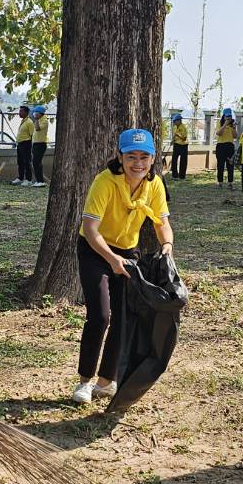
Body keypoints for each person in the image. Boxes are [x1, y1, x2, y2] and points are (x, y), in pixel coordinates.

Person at [73, 128, 173, 404]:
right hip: (95, 249)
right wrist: (112, 260)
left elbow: (161, 222)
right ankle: (85, 381)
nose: (138, 163)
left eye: (144, 156)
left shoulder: (154, 184)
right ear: (120, 156)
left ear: (153, 159)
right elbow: (90, 229)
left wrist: (167, 246)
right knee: (101, 316)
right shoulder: (104, 182)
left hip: (128, 251)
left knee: (123, 317)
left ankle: (106, 382)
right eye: (131, 156)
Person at [11, 104, 35, 185]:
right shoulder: (23, 121)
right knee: (20, 162)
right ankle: (20, 178)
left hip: (26, 144)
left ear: (26, 112)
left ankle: (28, 179)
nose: (19, 113)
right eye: (19, 111)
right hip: (20, 144)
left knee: (27, 162)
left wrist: (31, 147)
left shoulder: (29, 122)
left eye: (21, 111)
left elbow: (32, 135)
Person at [214, 109, 237, 189]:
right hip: (220, 146)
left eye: (229, 116)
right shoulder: (219, 123)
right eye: (226, 116)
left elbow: (235, 136)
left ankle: (230, 183)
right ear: (223, 116)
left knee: (230, 165)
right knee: (220, 165)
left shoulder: (232, 124)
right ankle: (220, 182)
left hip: (230, 146)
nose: (228, 118)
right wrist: (225, 124)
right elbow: (219, 133)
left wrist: (234, 128)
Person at [31, 105, 50, 186]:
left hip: (41, 144)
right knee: (35, 162)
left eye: (35, 112)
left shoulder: (44, 121)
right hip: (35, 144)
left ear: (40, 113)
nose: (34, 114)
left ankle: (40, 181)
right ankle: (38, 180)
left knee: (37, 162)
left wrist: (36, 119)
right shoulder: (38, 120)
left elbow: (38, 129)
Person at [170, 113, 189, 179]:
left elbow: (184, 138)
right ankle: (174, 175)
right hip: (176, 144)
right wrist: (172, 141)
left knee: (183, 161)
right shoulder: (175, 127)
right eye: (174, 121)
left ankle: (182, 176)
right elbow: (174, 135)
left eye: (175, 121)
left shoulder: (183, 128)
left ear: (179, 121)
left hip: (183, 145)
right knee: (174, 160)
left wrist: (178, 135)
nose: (174, 122)